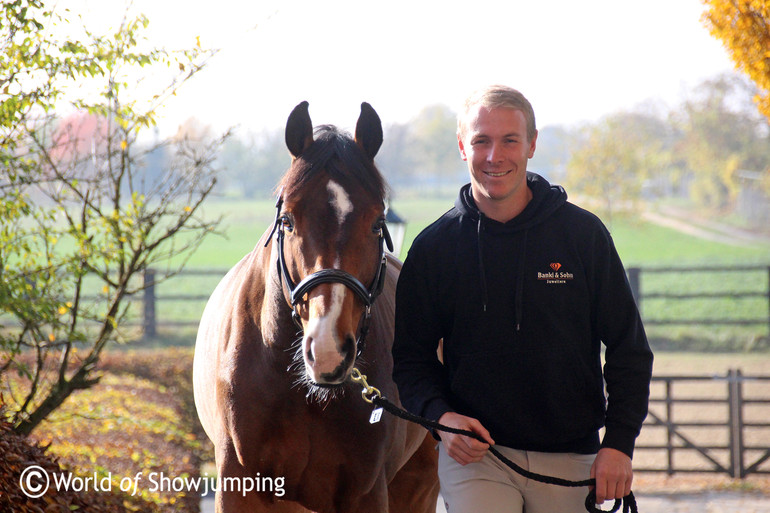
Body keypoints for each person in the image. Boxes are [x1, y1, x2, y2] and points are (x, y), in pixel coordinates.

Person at [392, 85, 653, 513]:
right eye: (481, 140)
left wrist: (619, 445)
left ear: (532, 144)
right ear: (462, 146)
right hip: (477, 457)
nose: (495, 156)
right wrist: (442, 418)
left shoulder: (583, 237)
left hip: (572, 458)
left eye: (509, 140)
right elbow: (410, 359)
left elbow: (629, 349)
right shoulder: (434, 249)